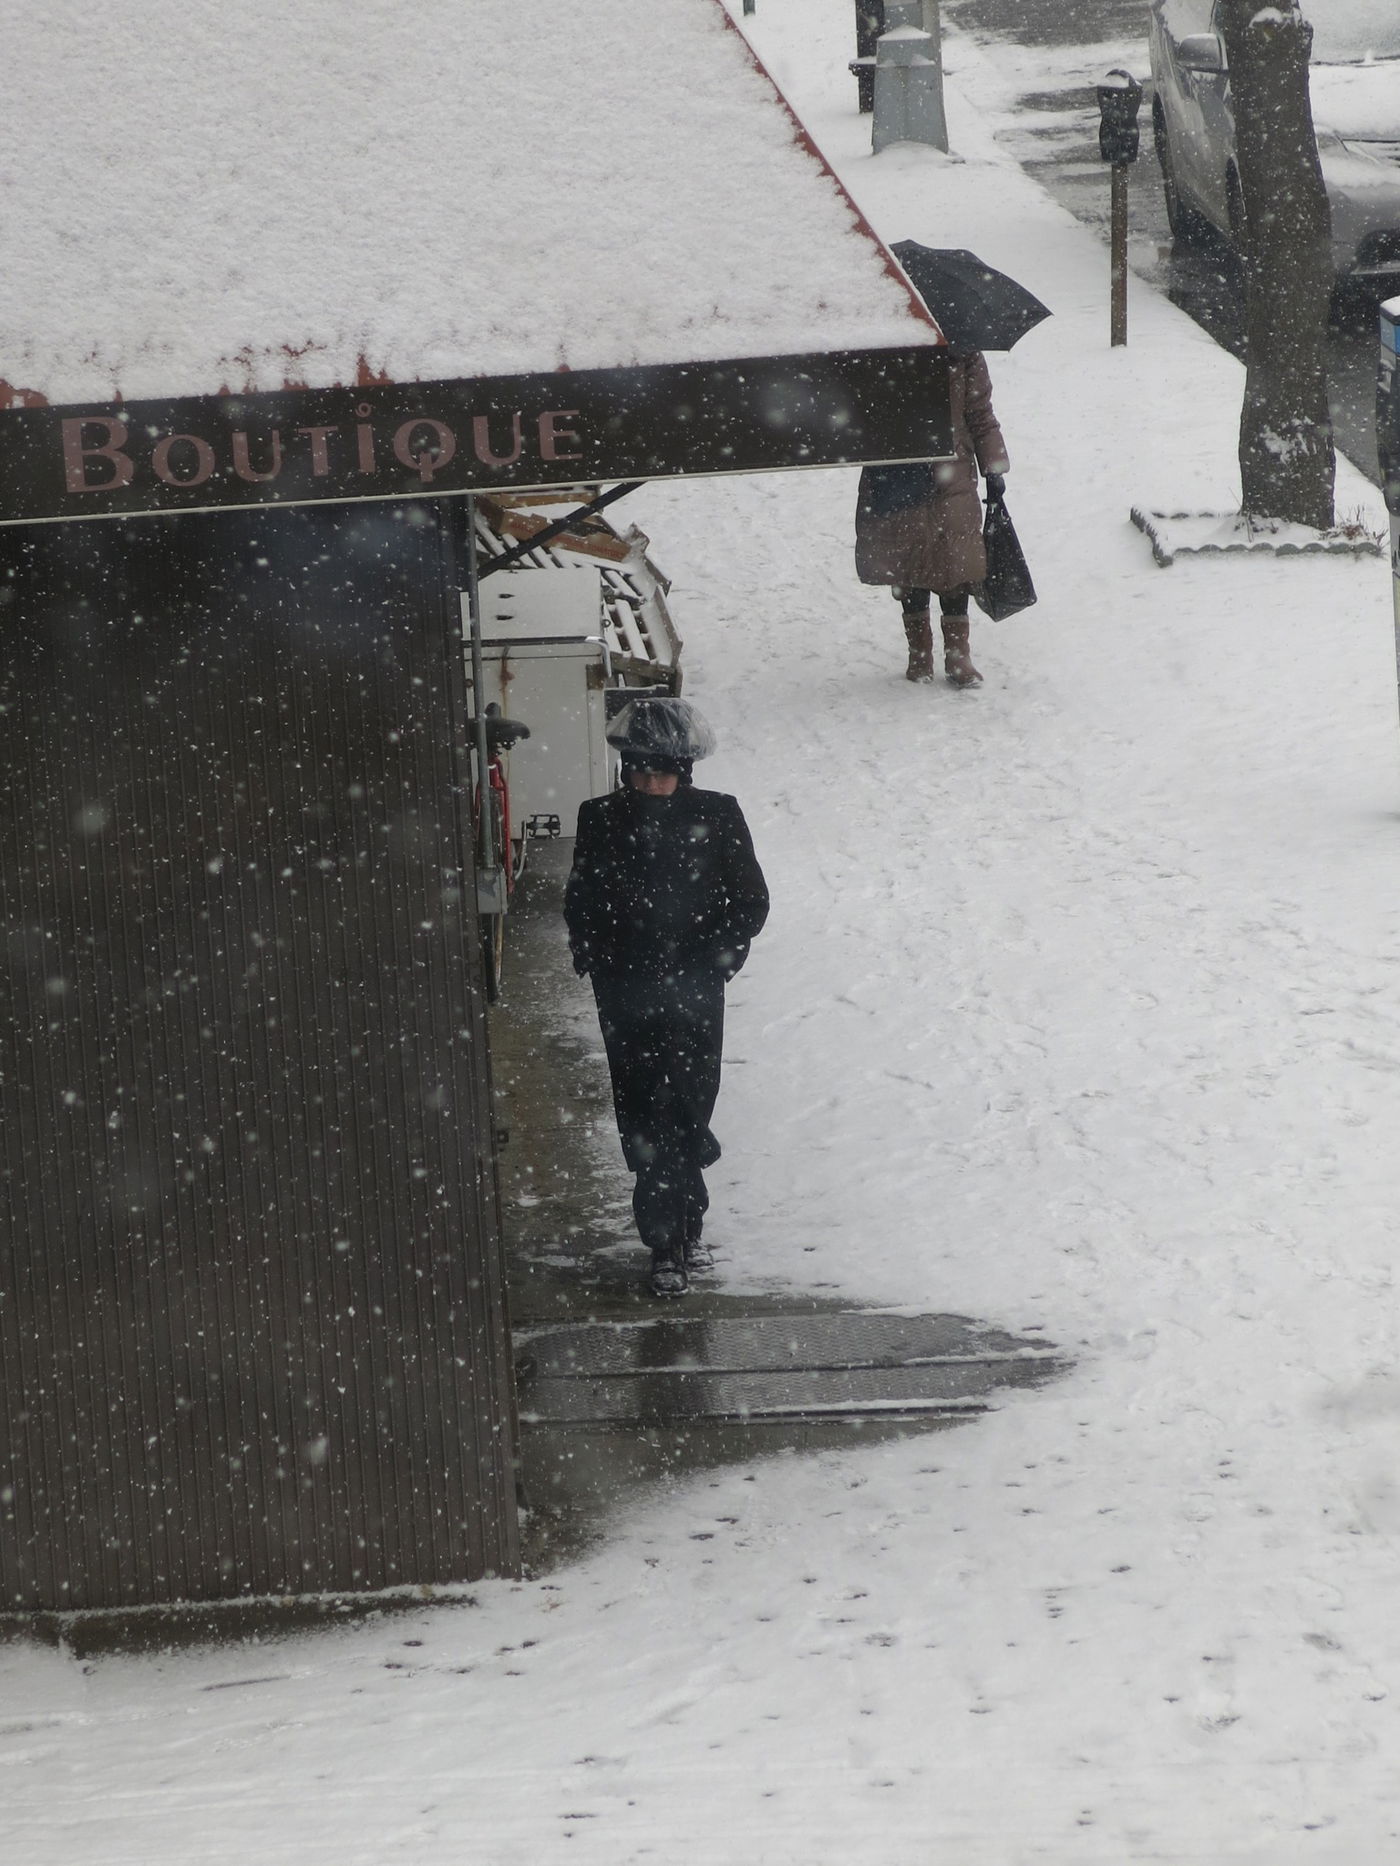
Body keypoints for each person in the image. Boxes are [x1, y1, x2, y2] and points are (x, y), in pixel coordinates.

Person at [564, 697, 769, 1298]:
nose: (653, 785)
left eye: (664, 773)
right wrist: (597, 955)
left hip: (694, 987)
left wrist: (719, 958)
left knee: (688, 1104)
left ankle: (688, 1224)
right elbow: (582, 897)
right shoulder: (600, 817)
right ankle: (664, 1241)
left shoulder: (719, 814)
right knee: (643, 1108)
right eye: (642, 772)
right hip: (625, 988)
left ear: (685, 771)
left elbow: (749, 898)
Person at [854, 347, 1010, 689]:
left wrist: (993, 464)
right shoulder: (886, 344)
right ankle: (919, 653)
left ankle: (958, 656)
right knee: (909, 560)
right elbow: (860, 407)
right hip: (896, 467)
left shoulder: (964, 350)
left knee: (954, 561)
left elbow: (980, 413)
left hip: (951, 471)